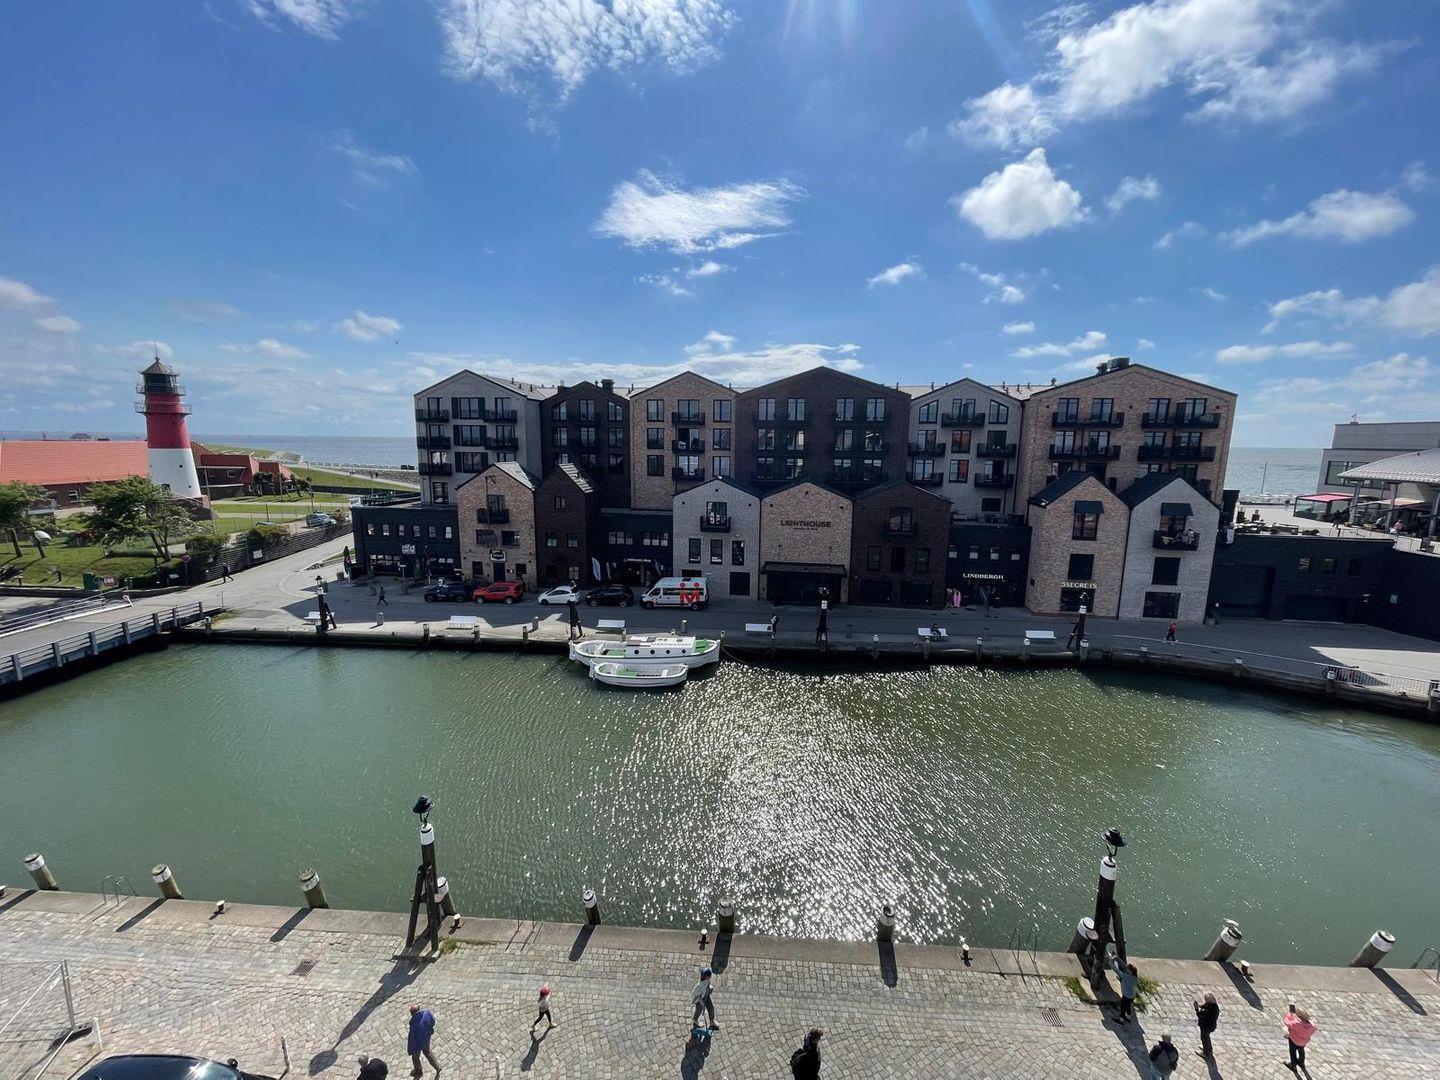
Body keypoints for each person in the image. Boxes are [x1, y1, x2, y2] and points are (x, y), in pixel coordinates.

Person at [407, 1003, 439, 1077]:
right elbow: (433, 1021)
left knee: (415, 1058)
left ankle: (418, 1071)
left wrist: (410, 1050)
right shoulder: (427, 1012)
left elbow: (412, 1040)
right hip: (427, 1037)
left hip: (418, 1044)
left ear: (412, 1013)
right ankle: (437, 1067)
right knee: (427, 1052)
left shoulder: (414, 1026)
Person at [1283, 1005, 1316, 1071]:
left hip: (1294, 1040)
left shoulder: (1296, 1024)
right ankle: (1301, 1062)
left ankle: (1293, 1066)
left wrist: (1290, 1015)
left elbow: (1287, 1023)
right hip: (1303, 1042)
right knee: (1301, 1051)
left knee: (1293, 1052)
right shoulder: (1312, 1026)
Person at [1194, 992, 1220, 1059]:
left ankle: (1205, 1053)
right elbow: (1205, 1005)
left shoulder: (1209, 1010)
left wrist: (1196, 1008)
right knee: (1207, 1038)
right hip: (1210, 1025)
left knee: (1204, 1038)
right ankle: (1209, 1049)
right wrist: (1200, 1006)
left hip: (1206, 1026)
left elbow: (1200, 1015)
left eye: (1206, 999)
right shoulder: (1213, 1005)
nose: (1205, 1001)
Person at [1112, 956, 1138, 1022]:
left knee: (1123, 1006)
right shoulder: (1135, 977)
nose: (1126, 969)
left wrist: (1111, 961)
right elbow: (1125, 967)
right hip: (1132, 996)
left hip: (1126, 996)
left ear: (1130, 971)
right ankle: (1128, 1017)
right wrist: (1117, 958)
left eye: (1128, 969)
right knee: (1128, 1006)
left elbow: (1116, 970)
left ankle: (1121, 1019)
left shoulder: (1126, 976)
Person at [690, 966, 716, 1032]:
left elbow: (707, 986)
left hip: (706, 996)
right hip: (700, 1000)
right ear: (706, 977)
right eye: (709, 975)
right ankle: (695, 1020)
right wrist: (700, 1003)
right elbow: (695, 994)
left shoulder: (707, 980)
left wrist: (709, 988)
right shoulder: (699, 986)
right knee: (699, 1011)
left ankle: (712, 1021)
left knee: (711, 1008)